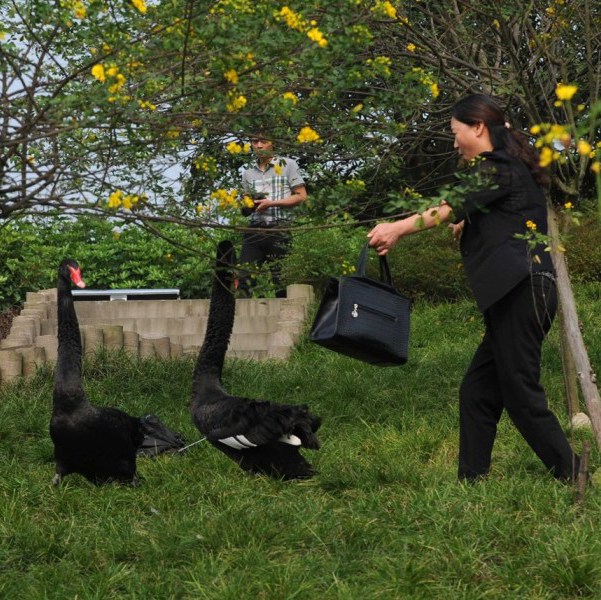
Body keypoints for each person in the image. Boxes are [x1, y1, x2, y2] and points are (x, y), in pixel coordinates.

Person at [368, 93, 579, 483]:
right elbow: (493, 210)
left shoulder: (497, 166)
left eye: (456, 132)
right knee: (478, 392)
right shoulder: (504, 170)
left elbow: (450, 206)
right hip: (514, 295)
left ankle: (573, 472)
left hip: (523, 291)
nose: (454, 142)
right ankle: (471, 482)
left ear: (478, 127)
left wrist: (396, 228)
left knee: (520, 394)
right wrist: (472, 220)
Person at [238, 133, 307, 297]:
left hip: (279, 229)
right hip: (254, 230)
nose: (259, 145)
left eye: (264, 141)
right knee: (244, 279)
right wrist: (246, 203)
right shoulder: (248, 173)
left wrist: (272, 203)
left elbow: (301, 196)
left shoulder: (288, 165)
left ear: (272, 143)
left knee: (282, 282)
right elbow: (245, 208)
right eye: (255, 141)